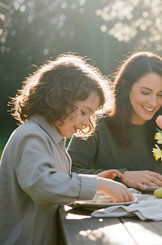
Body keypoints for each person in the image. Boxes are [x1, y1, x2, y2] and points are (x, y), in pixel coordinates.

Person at [0, 54, 134, 245]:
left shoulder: (54, 141)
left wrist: (95, 184)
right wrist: (98, 185)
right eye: (84, 111)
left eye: (91, 114)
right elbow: (43, 185)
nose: (87, 121)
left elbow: (58, 190)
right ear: (57, 99)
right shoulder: (32, 136)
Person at [68, 51, 162, 190]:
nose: (153, 102)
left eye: (160, 95)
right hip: (107, 209)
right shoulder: (95, 124)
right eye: (145, 92)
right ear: (125, 86)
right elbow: (70, 173)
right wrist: (121, 176)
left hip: (158, 210)